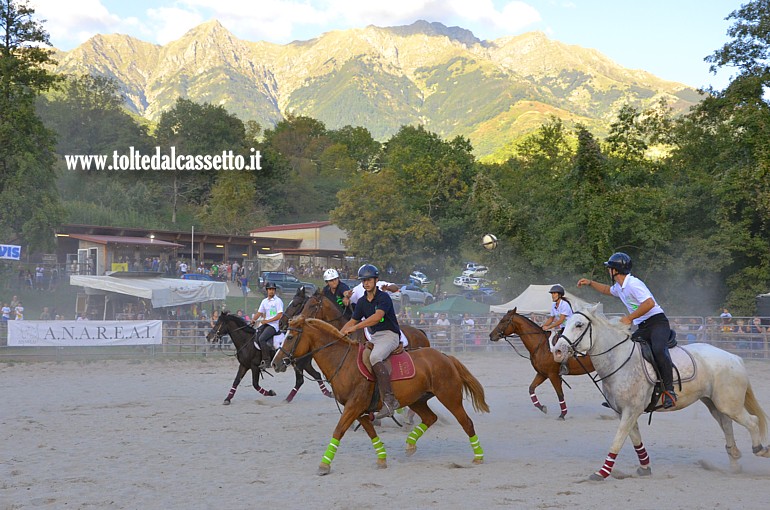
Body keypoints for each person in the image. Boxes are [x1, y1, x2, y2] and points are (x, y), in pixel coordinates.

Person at [577, 252, 677, 409]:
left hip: (657, 323)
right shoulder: (619, 286)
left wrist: (630, 318)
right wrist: (590, 282)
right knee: (623, 350)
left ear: (616, 270)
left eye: (609, 268)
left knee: (658, 350)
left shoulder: (633, 284)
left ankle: (669, 391)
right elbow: (606, 290)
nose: (608, 270)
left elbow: (649, 303)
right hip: (643, 326)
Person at [340, 264, 401, 419]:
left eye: (369, 280)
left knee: (374, 357)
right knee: (361, 359)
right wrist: (337, 334)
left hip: (390, 335)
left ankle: (390, 400)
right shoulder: (361, 302)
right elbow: (352, 321)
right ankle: (371, 397)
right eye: (364, 280)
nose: (366, 283)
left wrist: (355, 328)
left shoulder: (384, 298)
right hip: (375, 338)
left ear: (376, 280)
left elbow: (376, 318)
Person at [252, 281, 284, 368]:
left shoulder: (278, 301)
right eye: (270, 289)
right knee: (256, 334)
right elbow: (259, 312)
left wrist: (267, 321)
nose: (271, 291)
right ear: (267, 290)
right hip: (267, 324)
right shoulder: (264, 301)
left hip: (274, 326)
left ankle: (267, 361)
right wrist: (253, 320)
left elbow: (279, 315)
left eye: (273, 289)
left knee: (262, 339)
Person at [541, 284, 573, 351]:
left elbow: (561, 320)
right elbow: (551, 318)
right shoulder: (554, 305)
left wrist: (548, 327)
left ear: (560, 295)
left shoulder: (564, 304)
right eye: (552, 293)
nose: (552, 295)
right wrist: (544, 325)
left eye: (554, 293)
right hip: (563, 328)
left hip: (570, 328)